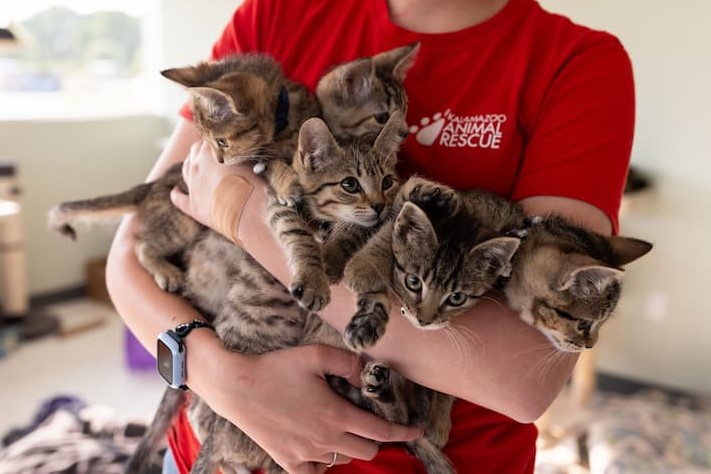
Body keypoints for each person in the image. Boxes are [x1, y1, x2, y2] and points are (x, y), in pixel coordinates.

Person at [106, 0, 634, 472]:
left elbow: (522, 381)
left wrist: (245, 215)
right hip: (211, 443)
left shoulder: (579, 63)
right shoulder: (274, 13)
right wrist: (221, 376)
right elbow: (129, 255)